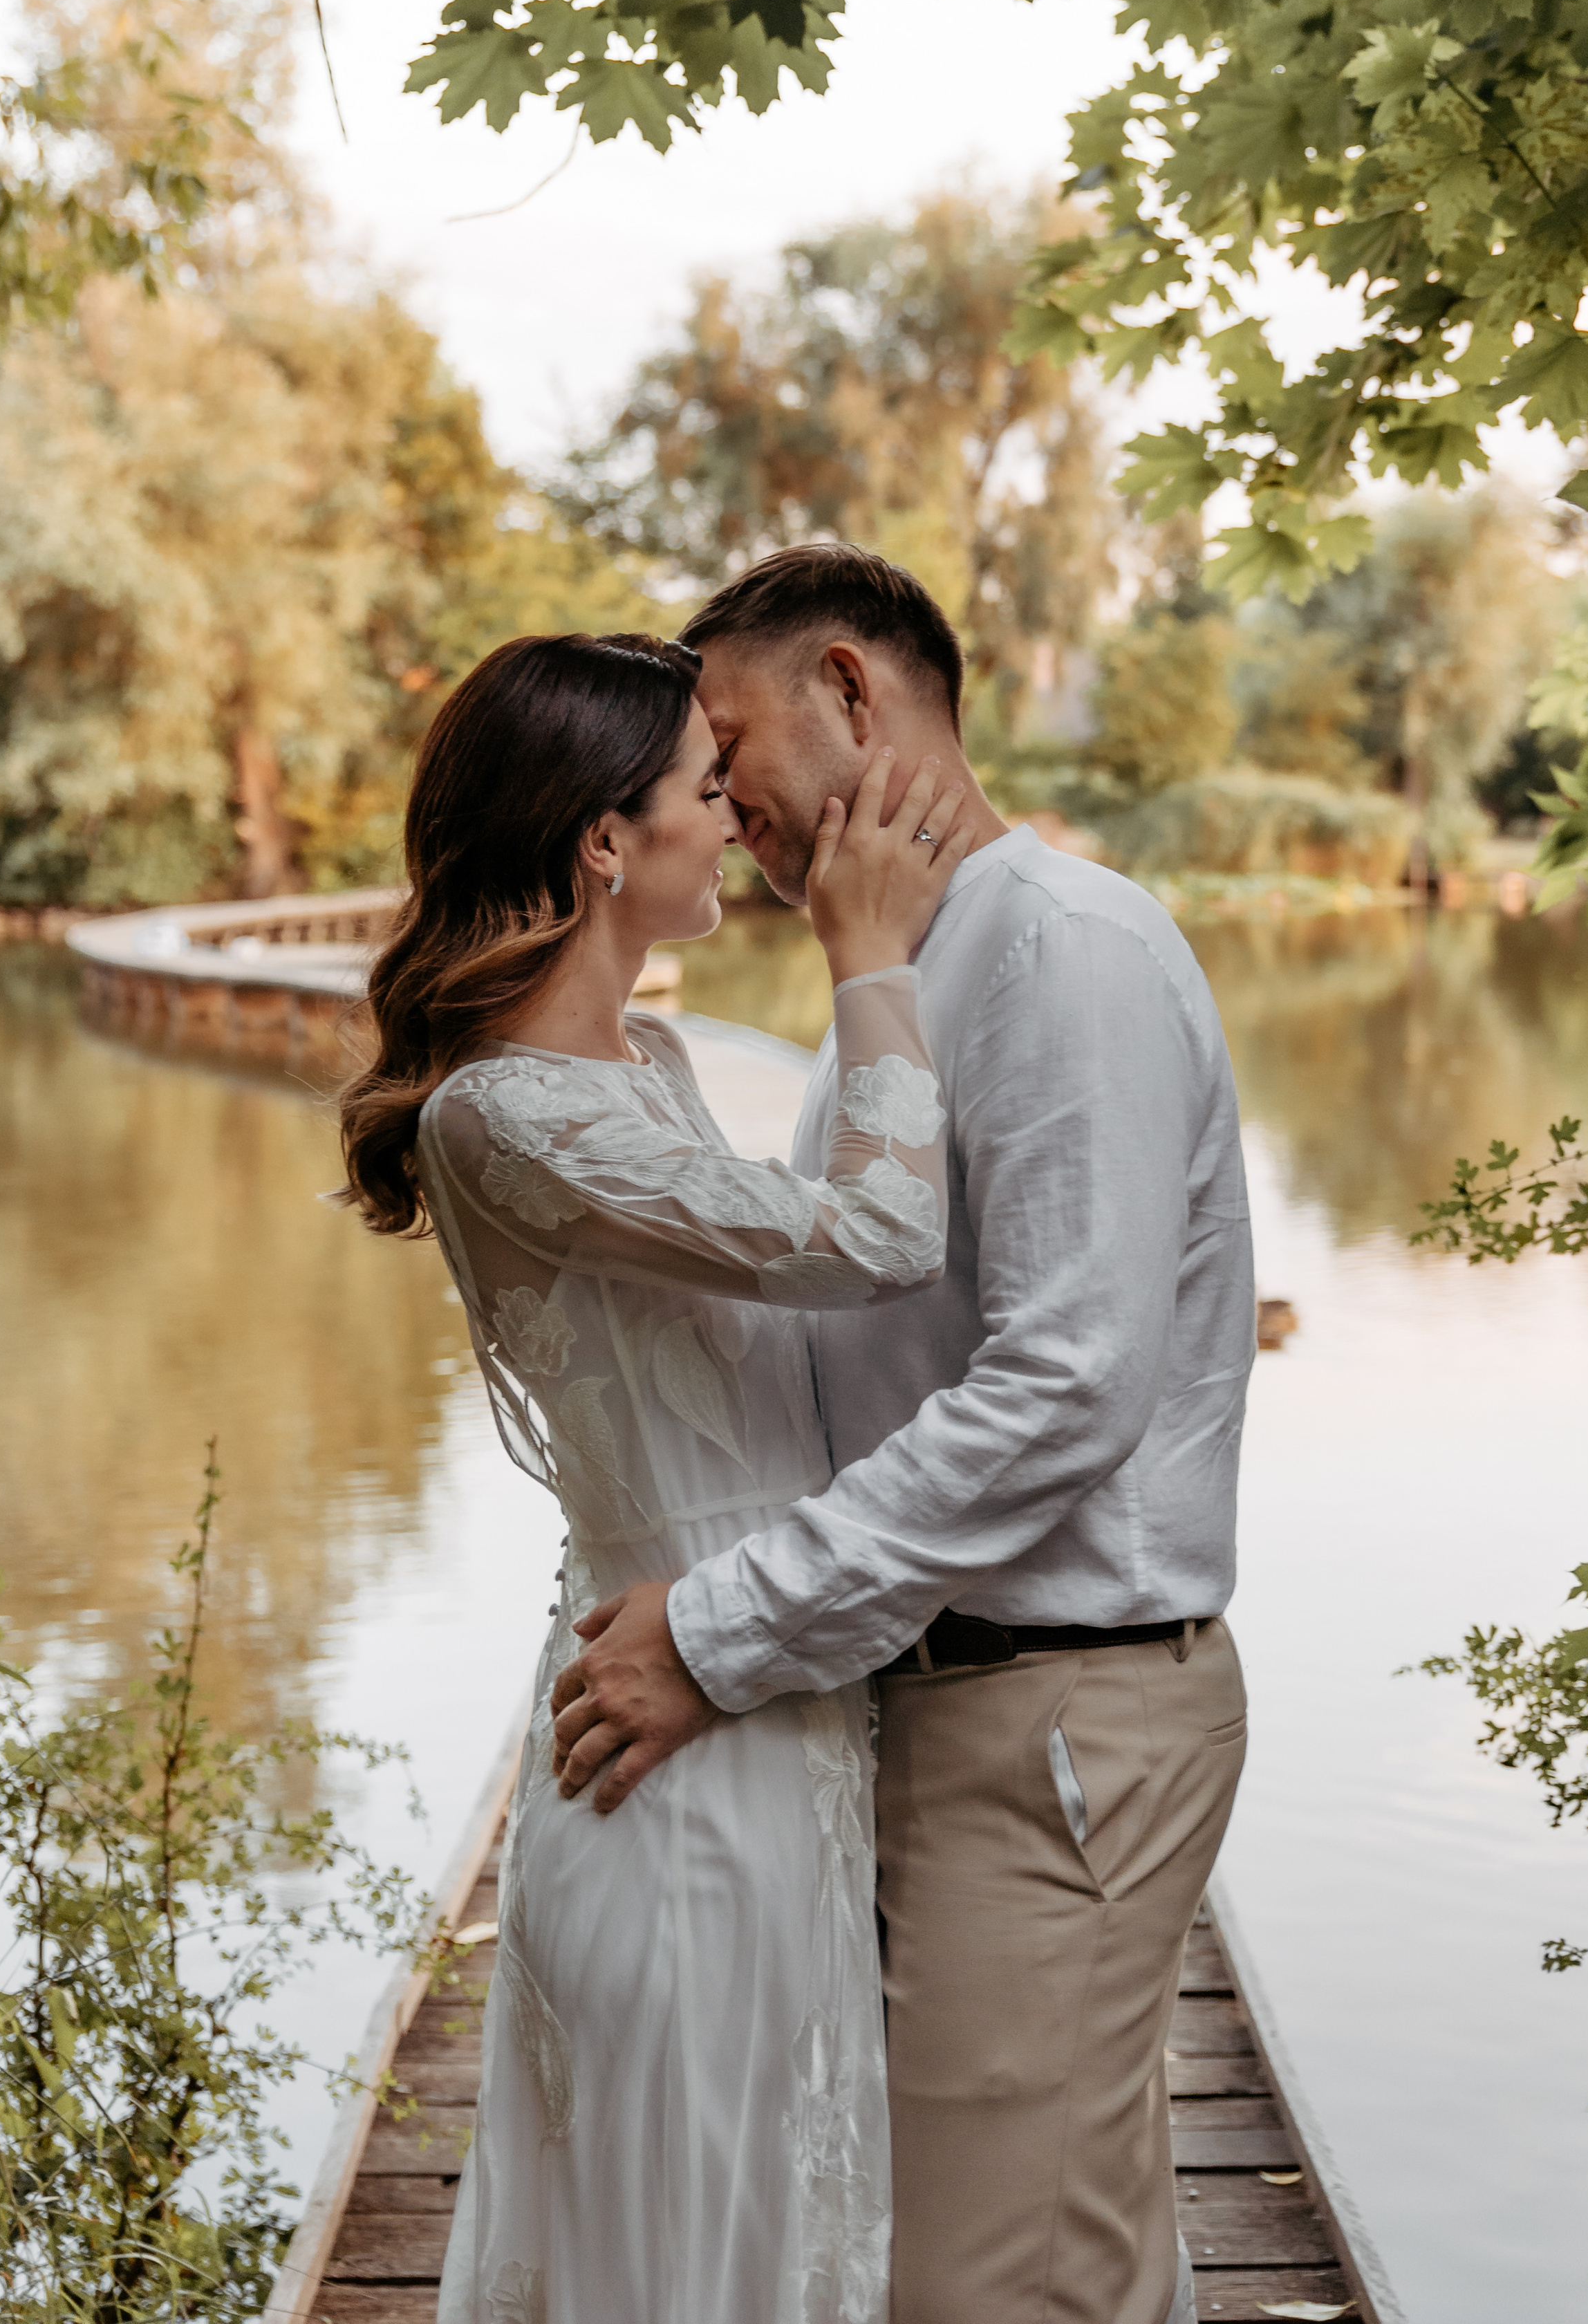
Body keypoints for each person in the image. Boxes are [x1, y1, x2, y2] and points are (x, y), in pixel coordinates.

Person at [551, 548, 1256, 2324]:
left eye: (727, 749)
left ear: (850, 694)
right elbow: (842, 1357)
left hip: (1049, 1717)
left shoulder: (1061, 952)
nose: (721, 802)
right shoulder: (907, 968)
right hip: (935, 1705)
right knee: (1042, 2255)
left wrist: (718, 1632)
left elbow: (1068, 1382)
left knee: (987, 2288)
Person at [338, 628, 975, 2324]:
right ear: (603, 841)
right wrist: (866, 955)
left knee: (778, 2215)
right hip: (668, 1738)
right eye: (708, 787)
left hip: (760, 1684)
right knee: (690, 2236)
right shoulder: (503, 1120)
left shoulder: (655, 1070)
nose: (740, 815)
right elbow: (880, 1235)